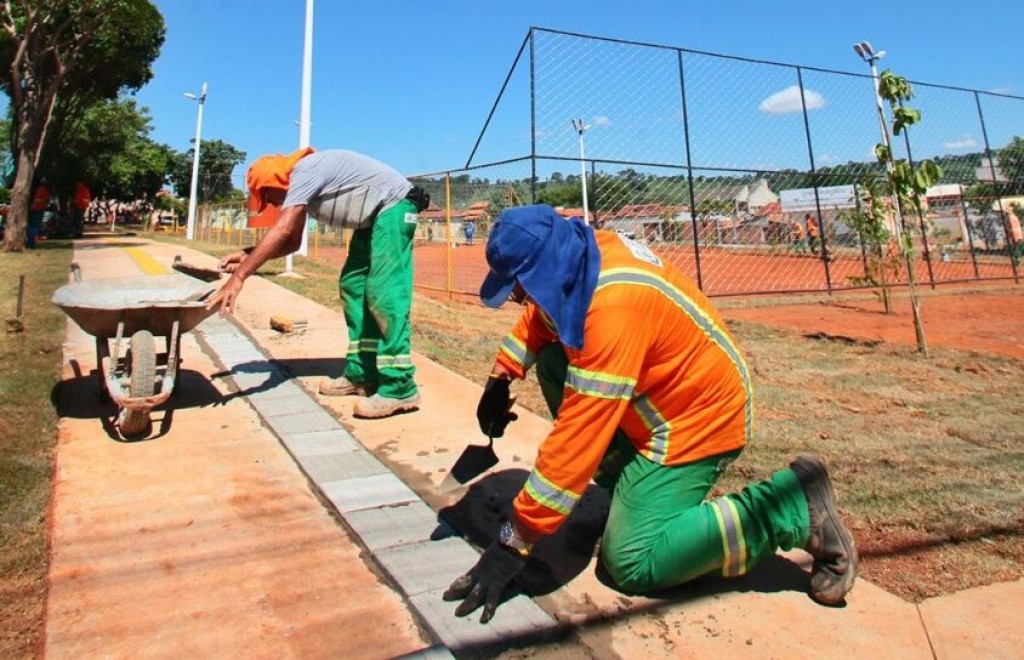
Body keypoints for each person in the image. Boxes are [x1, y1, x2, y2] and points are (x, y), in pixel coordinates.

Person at [443, 204, 858, 623]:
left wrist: (514, 542)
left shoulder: (611, 309)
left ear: (546, 269)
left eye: (519, 286)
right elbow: (542, 318)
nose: (517, 297)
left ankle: (791, 506)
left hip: (698, 419)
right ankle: (624, 486)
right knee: (553, 357)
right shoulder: (579, 257)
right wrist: (502, 377)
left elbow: (577, 440)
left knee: (630, 561)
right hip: (661, 397)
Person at [206, 147, 431, 419]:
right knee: (354, 286)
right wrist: (248, 255)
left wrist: (240, 276)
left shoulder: (304, 172)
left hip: (394, 207)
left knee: (383, 293)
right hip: (372, 219)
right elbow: (290, 242)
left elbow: (284, 229)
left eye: (269, 198)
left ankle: (399, 386)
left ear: (274, 183)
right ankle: (362, 374)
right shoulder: (303, 183)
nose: (274, 204)